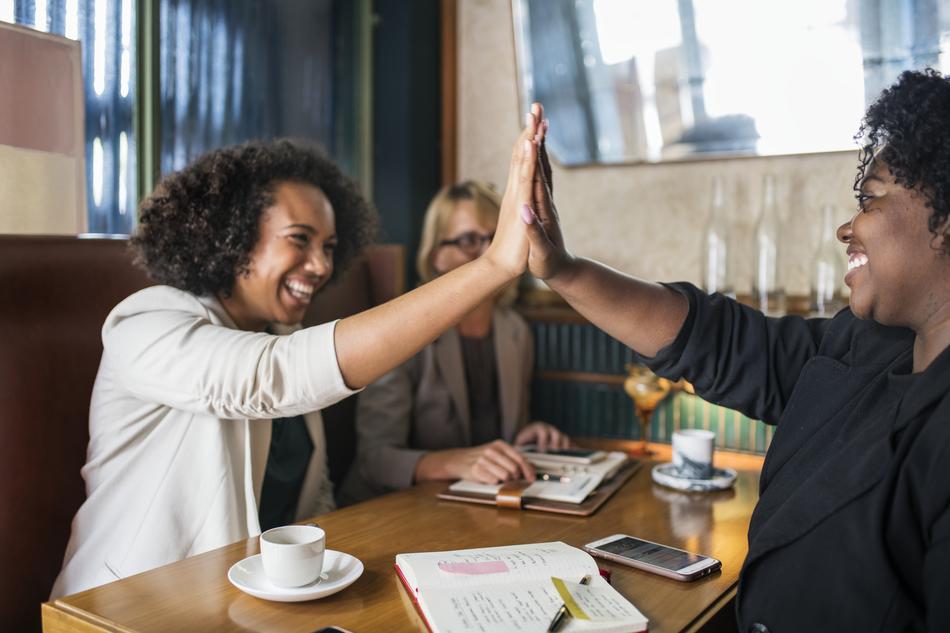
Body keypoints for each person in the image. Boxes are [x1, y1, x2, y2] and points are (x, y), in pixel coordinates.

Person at [51, 107, 548, 598]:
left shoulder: (284, 337)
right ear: (234, 237)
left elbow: (313, 501)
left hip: (246, 606)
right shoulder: (144, 322)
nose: (320, 266)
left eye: (330, 247)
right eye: (300, 240)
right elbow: (270, 379)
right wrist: (492, 265)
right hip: (123, 608)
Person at [522, 70, 950, 631]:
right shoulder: (869, 347)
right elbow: (722, 343)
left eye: (869, 199)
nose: (848, 228)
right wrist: (562, 268)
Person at [339, 180, 569, 504]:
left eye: (497, 238)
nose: (491, 252)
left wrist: (526, 438)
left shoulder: (514, 330)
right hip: (394, 510)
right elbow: (374, 461)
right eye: (469, 240)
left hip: (476, 507)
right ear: (436, 256)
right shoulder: (403, 331)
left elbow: (493, 438)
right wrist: (453, 462)